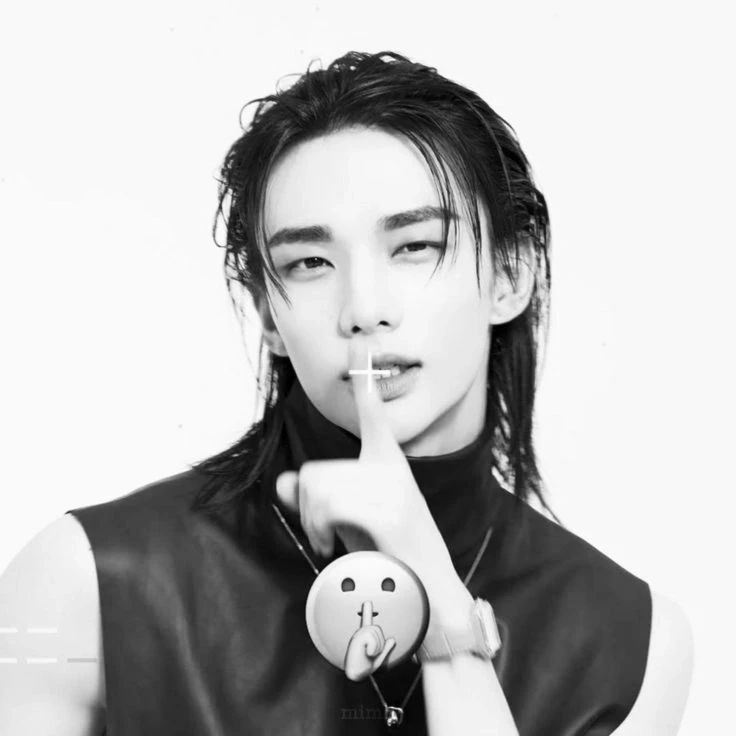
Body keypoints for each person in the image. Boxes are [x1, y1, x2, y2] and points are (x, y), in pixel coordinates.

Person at [0, 51, 693, 735]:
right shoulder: (85, 584)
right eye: (309, 262)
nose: (363, 309)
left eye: (415, 246)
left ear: (511, 275)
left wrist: (440, 605)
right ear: (268, 314)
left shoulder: (632, 643)